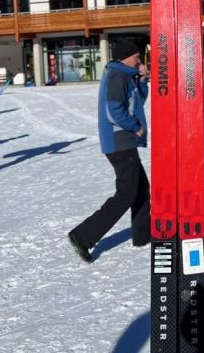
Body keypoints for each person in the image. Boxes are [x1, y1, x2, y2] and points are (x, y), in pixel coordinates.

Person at [68, 39, 150, 263]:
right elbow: (113, 111)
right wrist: (135, 127)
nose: (139, 61)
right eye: (136, 57)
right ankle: (82, 236)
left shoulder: (126, 75)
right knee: (127, 193)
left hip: (124, 142)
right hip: (119, 142)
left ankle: (143, 236)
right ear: (126, 57)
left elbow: (138, 101)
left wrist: (142, 80)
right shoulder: (117, 76)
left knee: (141, 189)